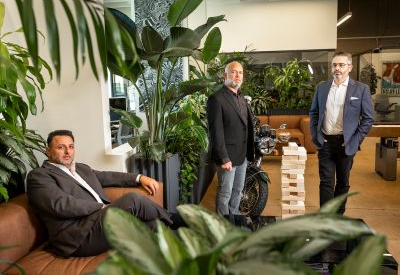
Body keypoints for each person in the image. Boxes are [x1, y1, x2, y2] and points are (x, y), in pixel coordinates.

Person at [26, 130, 175, 258]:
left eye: (71, 147)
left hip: (98, 222)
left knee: (154, 225)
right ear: (48, 150)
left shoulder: (81, 168)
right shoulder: (39, 176)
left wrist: (140, 178)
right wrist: (100, 207)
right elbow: (60, 205)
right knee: (133, 200)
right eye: (61, 147)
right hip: (78, 235)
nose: (68, 152)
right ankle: (175, 219)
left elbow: (107, 176)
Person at [309, 51, 374, 214]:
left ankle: (338, 216)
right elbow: (314, 113)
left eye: (341, 65)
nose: (337, 68)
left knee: (343, 182)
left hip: (347, 143)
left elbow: (368, 118)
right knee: (326, 181)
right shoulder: (322, 88)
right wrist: (316, 135)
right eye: (335, 65)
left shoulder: (361, 89)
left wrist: (356, 139)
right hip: (325, 142)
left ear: (349, 67)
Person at [206, 61, 254, 216]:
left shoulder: (241, 98)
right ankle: (222, 224)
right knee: (225, 193)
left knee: (238, 191)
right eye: (234, 72)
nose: (237, 76)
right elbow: (216, 132)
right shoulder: (216, 98)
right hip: (228, 157)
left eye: (240, 72)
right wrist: (224, 158)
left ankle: (233, 218)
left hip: (242, 155)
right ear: (225, 75)